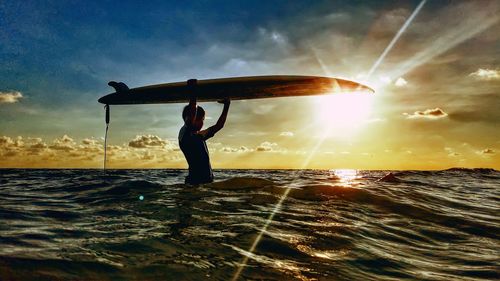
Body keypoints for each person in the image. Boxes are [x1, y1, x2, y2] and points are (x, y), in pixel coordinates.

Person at [178, 79, 230, 185]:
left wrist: (227, 105)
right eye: (202, 120)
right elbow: (192, 114)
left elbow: (219, 126)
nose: (202, 123)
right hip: (194, 182)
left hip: (207, 181)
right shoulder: (185, 134)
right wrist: (193, 90)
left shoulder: (199, 136)